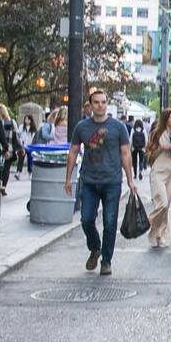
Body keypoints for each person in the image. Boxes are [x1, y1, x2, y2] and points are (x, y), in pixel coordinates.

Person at [64, 89, 135, 276]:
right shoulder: (82, 127)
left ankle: (106, 260)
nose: (100, 106)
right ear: (90, 105)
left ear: (107, 104)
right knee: (86, 219)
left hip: (112, 181)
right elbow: (73, 151)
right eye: (96, 102)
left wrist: (130, 179)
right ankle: (95, 247)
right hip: (88, 180)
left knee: (110, 222)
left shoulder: (118, 127)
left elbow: (126, 153)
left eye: (103, 102)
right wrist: (68, 178)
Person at [145, 108, 171, 249]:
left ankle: (159, 234)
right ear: (166, 119)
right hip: (158, 172)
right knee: (162, 204)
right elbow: (149, 157)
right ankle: (149, 223)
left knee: (165, 208)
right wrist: (161, 148)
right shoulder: (157, 134)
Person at [0, 104, 20, 190]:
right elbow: (16, 136)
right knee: (6, 168)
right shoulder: (12, 122)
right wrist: (20, 148)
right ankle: (3, 186)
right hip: (9, 148)